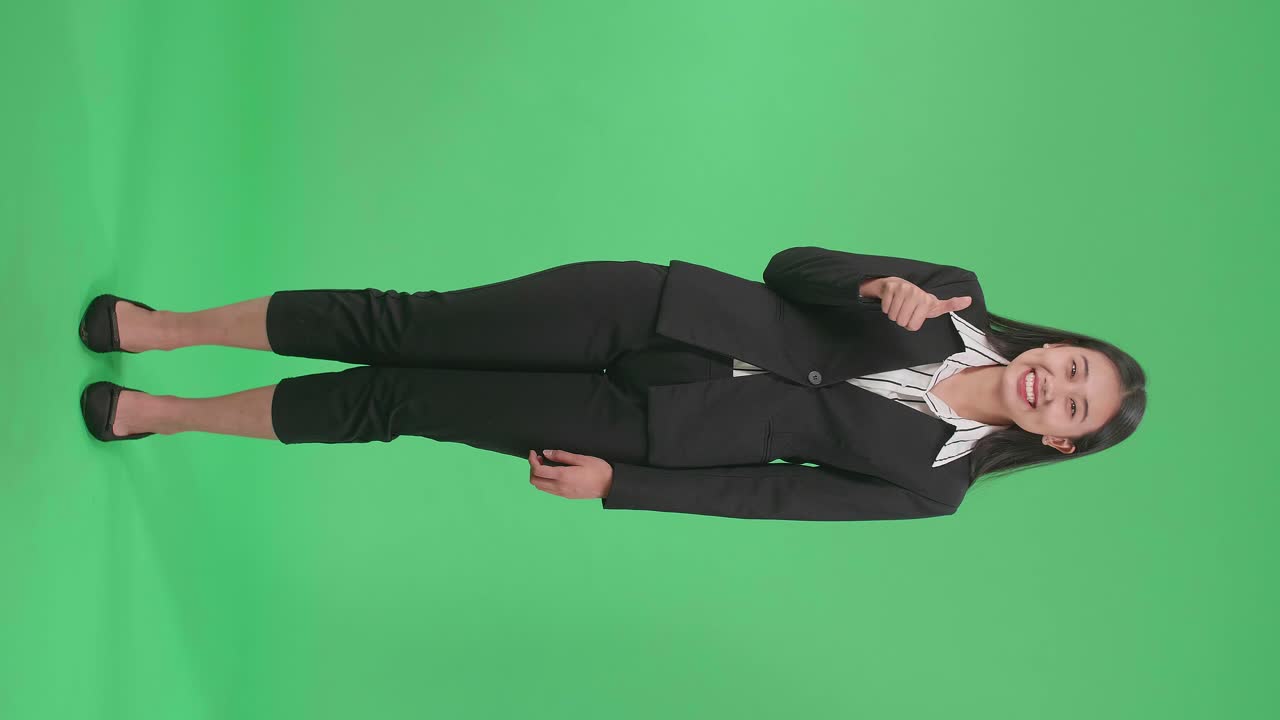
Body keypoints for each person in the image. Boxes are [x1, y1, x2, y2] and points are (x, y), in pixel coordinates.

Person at [78, 246, 1146, 521]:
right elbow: (788, 273)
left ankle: (161, 416)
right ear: (1054, 347)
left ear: (1058, 440)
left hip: (648, 426)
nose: (1056, 386)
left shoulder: (935, 486)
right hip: (655, 308)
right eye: (1072, 366)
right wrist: (880, 285)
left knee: (400, 400)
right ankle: (163, 330)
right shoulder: (949, 294)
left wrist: (620, 487)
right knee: (408, 322)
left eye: (1075, 406)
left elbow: (771, 494)